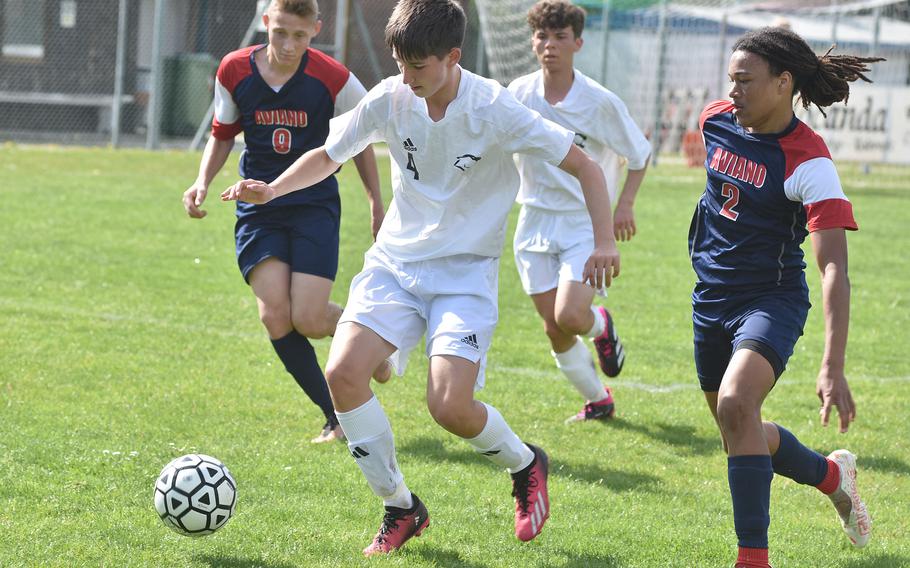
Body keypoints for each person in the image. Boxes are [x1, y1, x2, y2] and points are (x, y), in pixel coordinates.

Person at [222, 0, 621, 555]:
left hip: (464, 274)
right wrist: (271, 189)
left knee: (449, 407)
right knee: (343, 374)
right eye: (398, 63)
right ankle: (400, 506)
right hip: (396, 266)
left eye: (417, 66)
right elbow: (329, 154)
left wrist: (602, 241)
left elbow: (585, 166)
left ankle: (526, 464)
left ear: (452, 57)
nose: (405, 78)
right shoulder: (389, 96)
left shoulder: (494, 108)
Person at [690, 27, 882, 568]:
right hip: (710, 298)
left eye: (746, 81)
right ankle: (831, 476)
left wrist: (833, 363)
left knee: (735, 405)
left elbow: (832, 267)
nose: (734, 92)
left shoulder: (809, 161)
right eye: (731, 80)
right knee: (739, 430)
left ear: (783, 83)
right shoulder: (715, 121)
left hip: (770, 299)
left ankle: (753, 559)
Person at [181, 0, 386, 444]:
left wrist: (375, 202)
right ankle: (336, 417)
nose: (289, 45)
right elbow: (222, 133)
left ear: (316, 29)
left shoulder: (333, 78)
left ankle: (375, 337)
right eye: (281, 33)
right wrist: (201, 182)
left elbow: (363, 140)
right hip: (259, 207)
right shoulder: (234, 71)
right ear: (266, 23)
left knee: (309, 317)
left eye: (300, 35)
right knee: (276, 315)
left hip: (313, 204)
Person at [508, 0, 650, 423]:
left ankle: (600, 326)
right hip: (533, 219)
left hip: (584, 221)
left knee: (570, 316)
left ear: (578, 43)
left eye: (560, 37)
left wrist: (624, 204)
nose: (549, 45)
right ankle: (598, 400)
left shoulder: (598, 102)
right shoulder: (519, 94)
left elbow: (639, 155)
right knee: (553, 327)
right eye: (542, 36)